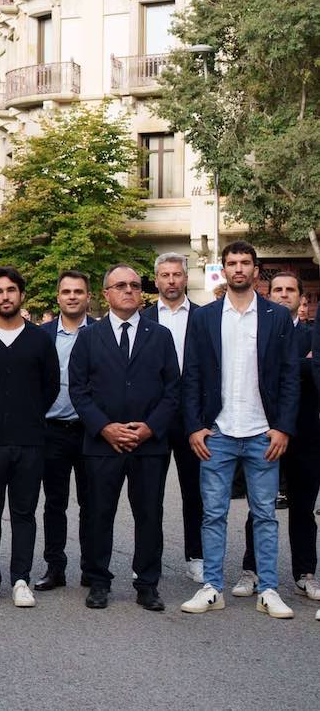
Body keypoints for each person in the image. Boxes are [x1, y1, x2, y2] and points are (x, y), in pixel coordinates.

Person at [180, 241, 298, 620]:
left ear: (256, 270)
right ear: (225, 270)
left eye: (245, 263)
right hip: (219, 432)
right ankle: (212, 586)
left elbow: (289, 377)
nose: (239, 269)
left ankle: (268, 589)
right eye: (232, 263)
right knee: (212, 514)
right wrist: (195, 426)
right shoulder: (205, 317)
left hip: (264, 433)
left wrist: (283, 428)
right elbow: (192, 375)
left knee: (264, 514)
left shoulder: (276, 317)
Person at [68, 265, 179, 611]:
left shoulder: (159, 336)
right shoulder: (88, 337)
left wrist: (149, 427)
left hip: (150, 445)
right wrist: (104, 427)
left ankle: (147, 584)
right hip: (103, 443)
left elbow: (173, 390)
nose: (129, 290)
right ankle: (98, 581)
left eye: (134, 285)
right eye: (121, 285)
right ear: (106, 294)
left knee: (149, 515)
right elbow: (78, 390)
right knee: (99, 513)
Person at [0, 266, 60, 609]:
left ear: (21, 295)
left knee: (24, 513)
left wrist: (27, 415)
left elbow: (50, 387)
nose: (6, 297)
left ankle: (21, 579)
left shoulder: (39, 340)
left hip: (30, 441)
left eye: (11, 290)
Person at [232, 273, 320, 601]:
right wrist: (304, 366)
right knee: (260, 506)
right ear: (268, 295)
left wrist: (302, 366)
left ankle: (305, 573)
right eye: (277, 290)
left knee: (302, 508)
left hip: (307, 434)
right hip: (264, 432)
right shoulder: (258, 332)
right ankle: (250, 569)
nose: (284, 295)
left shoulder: (313, 335)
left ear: (302, 299)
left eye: (291, 290)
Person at [141, 252, 204, 582]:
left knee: (195, 492)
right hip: (155, 418)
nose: (171, 280)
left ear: (185, 278)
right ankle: (150, 560)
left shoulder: (205, 317)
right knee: (150, 493)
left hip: (193, 418)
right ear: (156, 279)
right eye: (164, 275)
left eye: (176, 274)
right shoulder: (144, 318)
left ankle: (197, 555)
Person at [35, 271, 94, 592]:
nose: (72, 296)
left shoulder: (100, 333)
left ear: (88, 296)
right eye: (66, 291)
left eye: (78, 291)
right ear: (57, 297)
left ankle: (90, 568)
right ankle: (54, 567)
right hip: (52, 431)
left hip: (90, 432)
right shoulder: (42, 335)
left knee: (92, 503)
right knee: (54, 504)